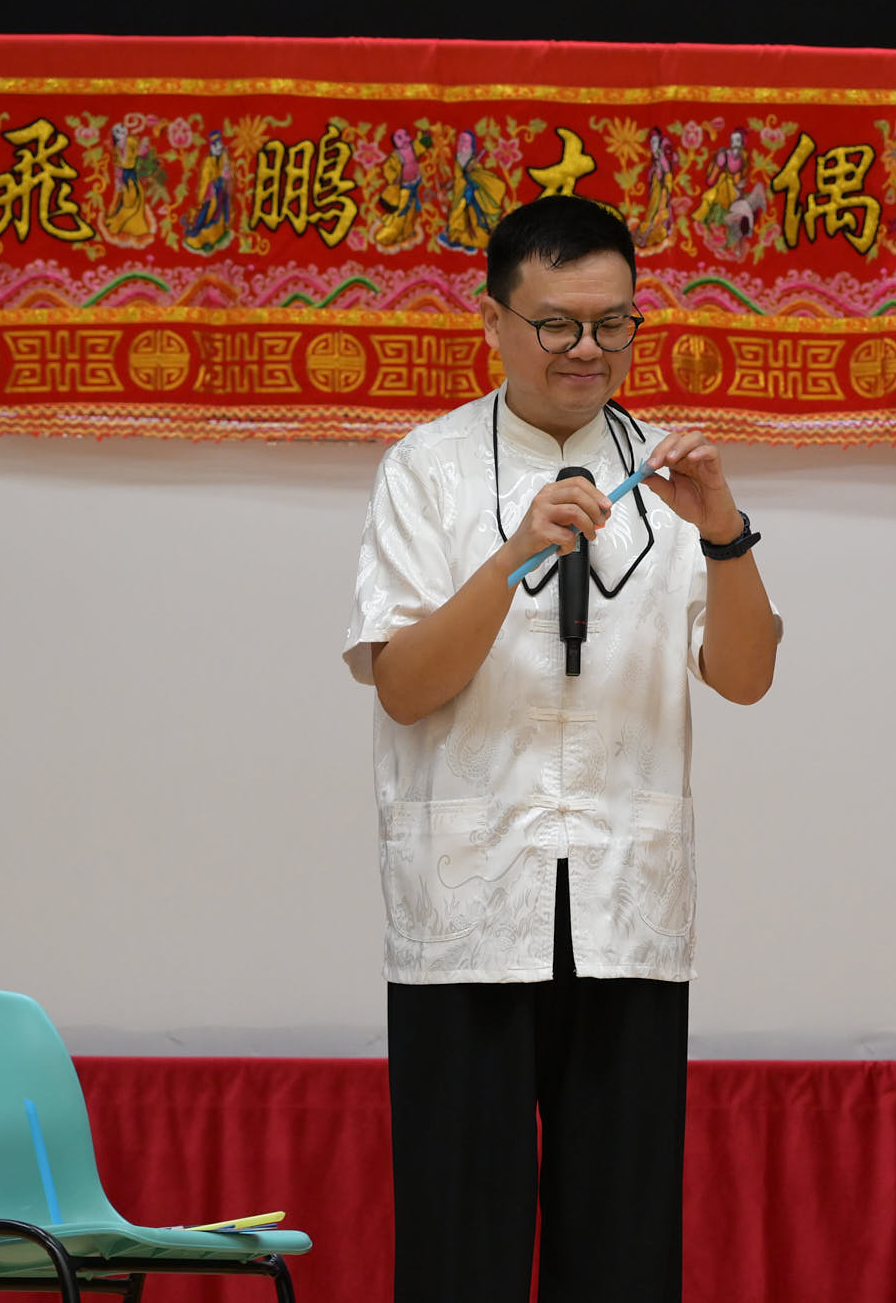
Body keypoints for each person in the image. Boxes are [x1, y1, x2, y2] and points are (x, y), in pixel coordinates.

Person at [342, 193, 780, 1302]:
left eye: (612, 324)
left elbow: (744, 676)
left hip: (627, 908)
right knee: (459, 1254)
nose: (588, 350)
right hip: (467, 910)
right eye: (556, 324)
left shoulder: (671, 472)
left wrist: (724, 534)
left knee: (622, 1254)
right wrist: (508, 559)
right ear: (492, 320)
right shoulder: (427, 469)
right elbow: (402, 686)